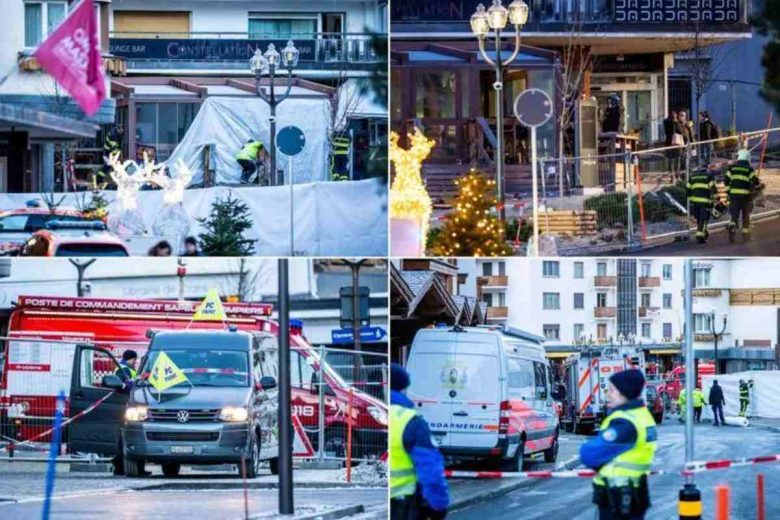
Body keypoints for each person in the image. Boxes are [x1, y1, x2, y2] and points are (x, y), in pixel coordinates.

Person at [581, 369, 656, 520]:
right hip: (632, 495)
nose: (607, 394)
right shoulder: (641, 415)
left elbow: (589, 455)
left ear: (624, 392)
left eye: (611, 390)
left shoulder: (624, 423)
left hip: (619, 501)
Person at [390, 363, 449, 520]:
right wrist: (438, 506)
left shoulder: (379, 411)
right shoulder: (411, 422)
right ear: (403, 388)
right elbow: (431, 470)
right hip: (402, 506)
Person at [725, 149, 760, 243]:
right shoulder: (749, 169)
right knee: (745, 215)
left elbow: (726, 180)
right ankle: (746, 236)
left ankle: (732, 225)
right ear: (747, 158)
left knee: (734, 214)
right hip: (745, 196)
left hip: (733, 196)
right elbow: (755, 181)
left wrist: (729, 192)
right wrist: (758, 187)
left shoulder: (731, 168)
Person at [686, 166, 718, 243]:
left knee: (699, 218)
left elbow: (688, 188)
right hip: (705, 201)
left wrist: (690, 199)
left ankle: (703, 232)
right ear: (706, 170)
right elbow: (713, 187)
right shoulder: (708, 176)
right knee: (703, 219)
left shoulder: (692, 177)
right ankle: (700, 236)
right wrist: (717, 198)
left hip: (695, 202)